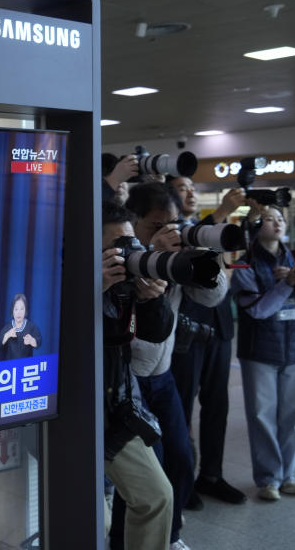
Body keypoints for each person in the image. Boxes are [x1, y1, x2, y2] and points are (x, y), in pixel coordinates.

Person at [113, 182, 227, 550]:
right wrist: (149, 253)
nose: (167, 232)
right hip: (125, 379)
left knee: (180, 458)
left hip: (163, 377)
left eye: (174, 224)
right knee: (144, 474)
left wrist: (193, 255)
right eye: (156, 225)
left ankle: (171, 535)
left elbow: (214, 295)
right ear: (134, 221)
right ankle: (123, 541)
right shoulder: (119, 254)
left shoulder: (179, 253)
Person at [231, 205, 295, 500]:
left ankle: (288, 475)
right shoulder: (244, 264)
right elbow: (259, 310)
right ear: (256, 226)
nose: (277, 223)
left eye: (281, 219)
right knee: (262, 416)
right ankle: (268, 479)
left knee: (292, 416)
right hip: (258, 351)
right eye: (269, 219)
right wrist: (285, 285)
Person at [168, 177, 248, 507]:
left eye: (192, 188)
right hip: (187, 330)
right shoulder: (172, 230)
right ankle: (181, 481)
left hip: (219, 326)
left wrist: (246, 217)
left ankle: (212, 475)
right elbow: (191, 249)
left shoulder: (210, 227)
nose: (190, 193)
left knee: (218, 405)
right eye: (182, 188)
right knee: (182, 409)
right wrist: (222, 212)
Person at [101, 201, 174, 550]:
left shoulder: (127, 287)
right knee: (94, 521)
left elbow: (156, 333)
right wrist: (90, 288)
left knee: (157, 496)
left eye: (133, 245)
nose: (130, 255)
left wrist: (152, 300)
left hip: (116, 408)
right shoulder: (59, 280)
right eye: (119, 248)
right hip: (71, 417)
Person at [0, 293, 42, 360]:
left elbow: (39, 341)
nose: (19, 313)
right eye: (16, 309)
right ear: (12, 311)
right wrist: (7, 336)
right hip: (10, 367)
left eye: (22, 309)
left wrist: (32, 341)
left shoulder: (31, 326)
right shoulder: (7, 327)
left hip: (26, 366)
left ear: (25, 311)